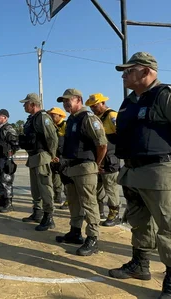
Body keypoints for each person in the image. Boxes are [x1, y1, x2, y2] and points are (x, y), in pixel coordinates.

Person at [109, 52, 171, 298]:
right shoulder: (129, 102)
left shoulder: (168, 95)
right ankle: (140, 264)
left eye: (129, 70)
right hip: (132, 171)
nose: (124, 75)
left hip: (162, 173)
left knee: (170, 227)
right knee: (139, 222)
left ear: (146, 71)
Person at [55, 88, 108, 256]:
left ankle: (93, 238)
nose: (65, 104)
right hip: (71, 168)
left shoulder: (88, 118)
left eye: (67, 100)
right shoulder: (72, 120)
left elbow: (102, 144)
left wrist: (95, 164)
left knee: (89, 203)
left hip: (85, 167)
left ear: (78, 100)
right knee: (74, 202)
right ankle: (75, 232)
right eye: (63, 101)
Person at [18, 93, 59, 231]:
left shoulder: (43, 117)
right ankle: (37, 212)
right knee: (36, 188)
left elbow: (52, 138)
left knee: (44, 187)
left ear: (33, 104)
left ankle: (49, 217)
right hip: (34, 156)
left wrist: (52, 155)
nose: (24, 106)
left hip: (42, 156)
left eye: (26, 103)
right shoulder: (32, 119)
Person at [85, 93, 121, 226]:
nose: (93, 109)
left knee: (110, 187)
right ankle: (99, 211)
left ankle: (114, 213)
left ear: (102, 103)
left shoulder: (112, 115)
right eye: (91, 107)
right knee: (97, 187)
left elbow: (121, 134)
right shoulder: (95, 118)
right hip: (98, 158)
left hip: (110, 158)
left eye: (95, 106)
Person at [46, 107, 67, 207]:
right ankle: (57, 196)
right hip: (55, 156)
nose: (51, 117)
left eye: (53, 115)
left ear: (59, 115)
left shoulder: (66, 125)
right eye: (50, 115)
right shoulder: (53, 127)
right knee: (56, 177)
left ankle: (69, 198)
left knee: (67, 178)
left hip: (65, 157)